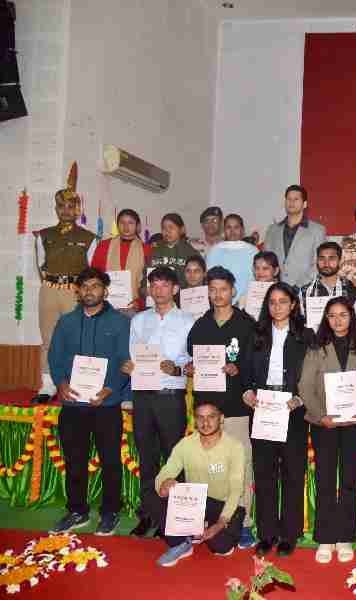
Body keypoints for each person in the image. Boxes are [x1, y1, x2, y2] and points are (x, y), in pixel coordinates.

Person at [47, 268, 130, 535]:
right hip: (73, 405)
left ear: (105, 290)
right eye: (84, 286)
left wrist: (110, 388)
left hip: (106, 405)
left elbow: (125, 361)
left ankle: (110, 512)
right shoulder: (66, 322)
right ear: (77, 291)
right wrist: (60, 383)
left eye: (95, 286)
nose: (89, 291)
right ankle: (77, 511)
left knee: (110, 461)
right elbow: (54, 357)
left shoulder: (120, 322)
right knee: (74, 460)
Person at [300, 297, 356, 564]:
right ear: (326, 318)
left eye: (343, 315)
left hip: (355, 425)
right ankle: (325, 537)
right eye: (332, 315)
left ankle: (345, 536)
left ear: (351, 316)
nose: (337, 320)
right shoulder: (316, 346)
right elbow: (304, 386)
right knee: (325, 480)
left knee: (348, 481)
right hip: (325, 425)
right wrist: (321, 416)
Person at [240, 282, 315, 557]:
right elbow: (245, 369)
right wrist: (247, 391)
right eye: (272, 302)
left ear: (293, 305)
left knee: (293, 473)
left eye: (283, 301)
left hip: (292, 409)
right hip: (262, 406)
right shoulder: (256, 332)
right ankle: (267, 533)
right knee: (264, 473)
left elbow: (314, 373)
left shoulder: (306, 335)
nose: (277, 307)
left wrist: (302, 398)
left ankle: (289, 534)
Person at [185, 266, 257, 549]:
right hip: (207, 409)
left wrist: (238, 369)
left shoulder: (246, 324)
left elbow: (256, 364)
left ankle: (245, 523)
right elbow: (192, 357)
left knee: (241, 465)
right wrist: (190, 368)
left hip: (236, 407)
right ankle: (208, 519)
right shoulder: (200, 325)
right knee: (205, 466)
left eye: (223, 289)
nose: (217, 295)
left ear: (233, 291)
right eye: (212, 290)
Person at [121, 266, 193, 538]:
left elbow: (193, 362)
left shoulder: (188, 321)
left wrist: (177, 369)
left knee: (174, 459)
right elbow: (132, 355)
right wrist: (129, 366)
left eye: (164, 285)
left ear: (175, 289)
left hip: (170, 398)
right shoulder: (139, 320)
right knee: (147, 458)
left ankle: (174, 518)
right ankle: (149, 515)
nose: (158, 290)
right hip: (142, 396)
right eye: (154, 285)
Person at [154, 399, 246, 566]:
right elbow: (166, 472)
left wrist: (220, 523)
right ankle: (182, 544)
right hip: (195, 503)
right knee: (157, 498)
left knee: (221, 546)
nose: (205, 422)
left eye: (211, 417)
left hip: (224, 506)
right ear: (194, 420)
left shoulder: (235, 447)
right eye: (200, 417)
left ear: (221, 418)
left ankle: (200, 528)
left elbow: (236, 490)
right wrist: (164, 483)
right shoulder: (185, 444)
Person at [33, 164, 98, 399]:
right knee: (48, 339)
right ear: (56, 208)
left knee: (76, 338)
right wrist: (52, 283)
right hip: (49, 290)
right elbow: (39, 266)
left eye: (71, 206)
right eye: (61, 206)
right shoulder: (44, 235)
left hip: (75, 293)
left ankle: (77, 383)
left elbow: (91, 270)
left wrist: (79, 290)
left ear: (78, 208)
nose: (66, 210)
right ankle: (48, 385)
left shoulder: (89, 238)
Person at [263, 184, 326, 289]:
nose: (291, 202)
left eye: (296, 199)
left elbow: (319, 263)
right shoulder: (272, 230)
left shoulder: (318, 230)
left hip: (304, 289)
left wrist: (298, 287)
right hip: (276, 289)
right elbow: (266, 261)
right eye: (289, 199)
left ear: (304, 204)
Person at [90, 208, 151, 315]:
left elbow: (149, 282)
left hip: (134, 306)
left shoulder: (146, 249)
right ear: (117, 225)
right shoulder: (104, 246)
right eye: (122, 223)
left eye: (130, 223)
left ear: (138, 226)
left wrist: (140, 303)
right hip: (106, 305)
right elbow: (94, 275)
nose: (126, 227)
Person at [299, 242, 356, 318]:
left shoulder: (352, 291)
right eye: (322, 258)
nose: (326, 263)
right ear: (317, 261)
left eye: (331, 258)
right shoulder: (304, 291)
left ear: (340, 261)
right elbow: (302, 321)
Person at [206, 213, 259, 302]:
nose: (232, 231)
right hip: (220, 300)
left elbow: (257, 278)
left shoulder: (253, 251)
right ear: (224, 230)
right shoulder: (214, 251)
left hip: (247, 301)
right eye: (228, 227)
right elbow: (210, 279)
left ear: (242, 230)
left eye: (236, 227)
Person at [148, 213, 201, 289]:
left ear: (182, 229)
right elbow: (146, 279)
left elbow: (198, 280)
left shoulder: (191, 253)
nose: (167, 231)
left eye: (171, 227)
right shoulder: (154, 250)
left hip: (184, 294)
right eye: (164, 228)